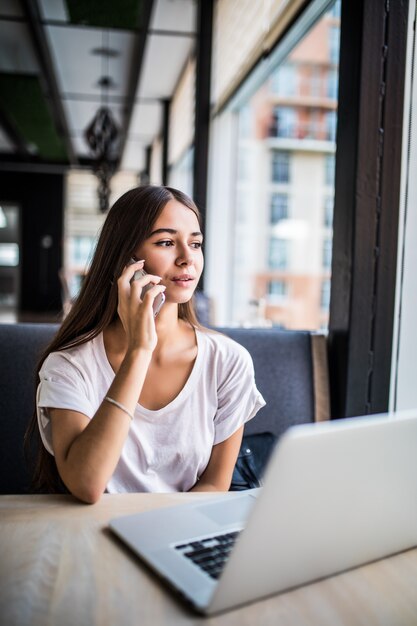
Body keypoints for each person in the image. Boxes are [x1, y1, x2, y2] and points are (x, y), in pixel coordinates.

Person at [26, 185, 265, 503]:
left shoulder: (229, 360)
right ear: (127, 259)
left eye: (195, 243)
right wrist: (139, 350)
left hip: (180, 533)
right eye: (166, 242)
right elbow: (86, 484)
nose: (187, 259)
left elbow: (214, 486)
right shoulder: (70, 365)